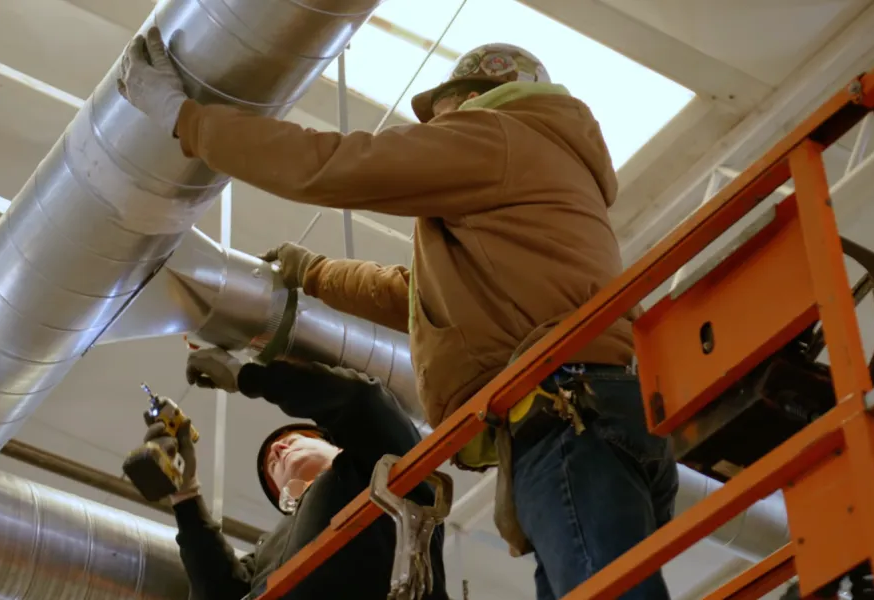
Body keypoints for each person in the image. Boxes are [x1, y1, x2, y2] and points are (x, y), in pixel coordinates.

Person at [119, 28, 677, 599]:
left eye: (444, 113)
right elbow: (414, 295)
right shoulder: (534, 174)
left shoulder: (499, 136)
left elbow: (335, 165)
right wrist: (312, 272)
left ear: (482, 96)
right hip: (576, 416)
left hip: (565, 415)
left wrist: (183, 117)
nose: (438, 129)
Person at [150, 347, 448, 600]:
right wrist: (186, 495)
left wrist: (251, 378)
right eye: (272, 466)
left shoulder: (387, 468)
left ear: (332, 443)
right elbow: (219, 592)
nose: (277, 450)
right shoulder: (268, 554)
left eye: (290, 441)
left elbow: (361, 401)